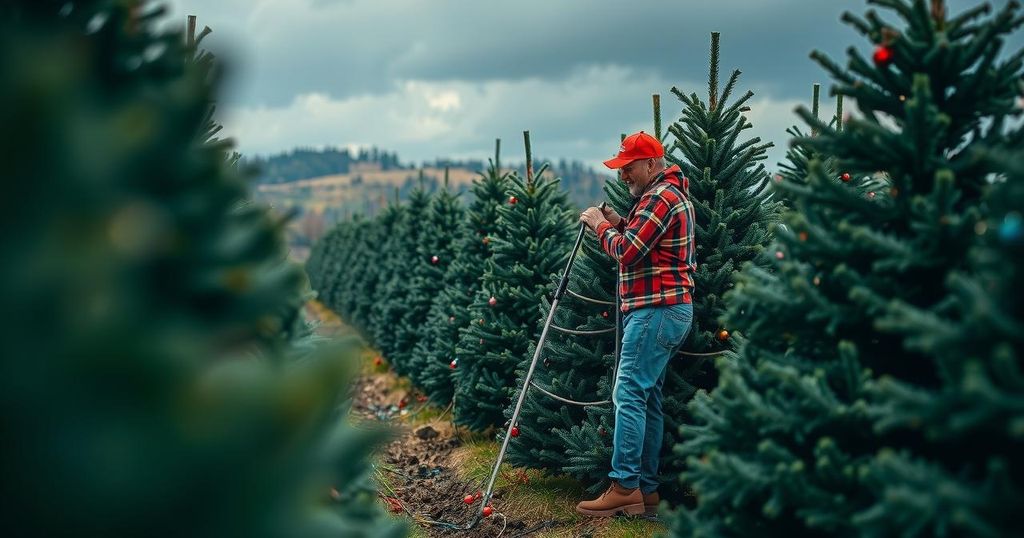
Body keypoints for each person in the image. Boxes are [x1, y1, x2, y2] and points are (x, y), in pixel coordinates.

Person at [575, 131, 696, 517]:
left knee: (628, 393)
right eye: (620, 168)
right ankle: (646, 490)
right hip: (665, 310)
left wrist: (598, 224)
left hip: (656, 310)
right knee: (649, 398)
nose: (624, 175)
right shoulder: (660, 196)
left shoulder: (661, 196)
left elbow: (628, 252)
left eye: (628, 168)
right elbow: (647, 241)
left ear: (650, 164)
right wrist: (620, 220)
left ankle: (625, 486)